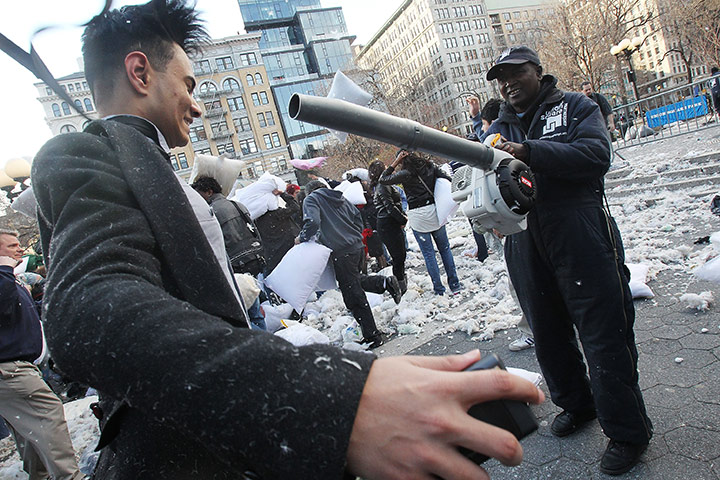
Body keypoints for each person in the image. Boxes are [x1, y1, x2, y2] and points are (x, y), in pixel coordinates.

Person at [30, 2, 544, 478]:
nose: (197, 106)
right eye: (187, 85)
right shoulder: (80, 153)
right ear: (140, 72)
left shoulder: (153, 164)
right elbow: (88, 309)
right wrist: (338, 402)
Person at [475, 45, 652, 475]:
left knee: (602, 332)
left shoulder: (575, 106)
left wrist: (530, 152)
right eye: (501, 78)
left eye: (516, 72)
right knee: (547, 331)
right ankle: (577, 403)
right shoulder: (497, 125)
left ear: (538, 69)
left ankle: (628, 432)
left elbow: (596, 156)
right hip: (523, 239)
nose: (508, 83)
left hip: (581, 230)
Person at [0, 229, 86, 480]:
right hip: (11, 369)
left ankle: (41, 476)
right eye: (11, 246)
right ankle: (68, 476)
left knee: (27, 427)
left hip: (15, 368)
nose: (19, 249)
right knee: (48, 414)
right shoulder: (3, 278)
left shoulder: (10, 279)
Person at [297, 180, 402, 348]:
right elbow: (356, 217)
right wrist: (352, 234)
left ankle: (372, 336)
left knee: (353, 295)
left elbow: (313, 222)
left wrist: (302, 238)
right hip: (356, 246)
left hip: (341, 251)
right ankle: (384, 282)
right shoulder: (340, 197)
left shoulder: (312, 200)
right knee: (353, 282)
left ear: (309, 192)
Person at [379, 150, 462, 296]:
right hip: (435, 212)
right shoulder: (430, 166)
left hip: (418, 215)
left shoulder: (405, 173)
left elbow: (383, 179)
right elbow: (448, 179)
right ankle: (455, 285)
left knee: (429, 254)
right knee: (445, 249)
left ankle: (439, 289)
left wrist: (395, 162)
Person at [191, 176, 267, 330]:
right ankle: (265, 333)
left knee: (248, 310)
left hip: (237, 264)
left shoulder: (210, 212)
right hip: (254, 256)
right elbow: (253, 229)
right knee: (257, 303)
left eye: (200, 194)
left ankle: (264, 339)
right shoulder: (237, 204)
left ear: (209, 192)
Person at [368, 160, 408, 292]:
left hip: (388, 223)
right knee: (398, 256)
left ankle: (400, 282)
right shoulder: (383, 185)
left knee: (400, 256)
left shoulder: (383, 184)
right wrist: (402, 219)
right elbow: (390, 207)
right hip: (388, 224)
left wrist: (395, 162)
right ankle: (400, 286)